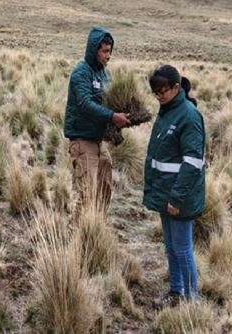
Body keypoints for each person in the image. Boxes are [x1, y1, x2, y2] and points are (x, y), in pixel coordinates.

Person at [144, 65, 204, 308]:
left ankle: (192, 303)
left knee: (182, 249)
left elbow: (192, 162)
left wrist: (176, 198)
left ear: (176, 87)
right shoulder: (167, 110)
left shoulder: (188, 115)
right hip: (165, 192)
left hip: (180, 197)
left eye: (162, 92)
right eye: (155, 93)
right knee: (170, 247)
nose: (158, 96)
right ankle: (176, 291)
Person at [63, 27, 130, 216]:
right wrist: (112, 116)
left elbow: (109, 103)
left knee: (105, 188)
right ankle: (79, 234)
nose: (109, 56)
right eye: (105, 51)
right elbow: (85, 104)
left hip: (100, 141)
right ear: (94, 51)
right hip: (83, 140)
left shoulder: (105, 74)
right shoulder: (81, 73)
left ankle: (96, 228)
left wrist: (123, 115)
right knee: (87, 192)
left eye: (110, 51)